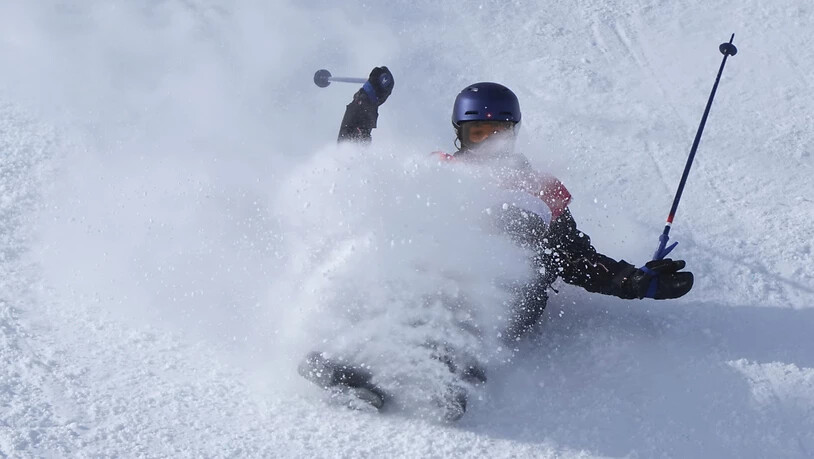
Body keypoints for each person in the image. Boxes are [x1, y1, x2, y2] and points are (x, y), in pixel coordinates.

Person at [299, 66, 694, 420]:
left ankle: (444, 370)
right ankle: (348, 361)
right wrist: (362, 109)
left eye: (498, 134)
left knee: (502, 238)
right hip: (431, 280)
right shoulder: (438, 171)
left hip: (506, 293)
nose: (488, 144)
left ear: (514, 133)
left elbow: (573, 256)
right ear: (461, 134)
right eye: (478, 133)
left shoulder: (540, 189)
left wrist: (632, 281)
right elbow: (361, 178)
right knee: (396, 244)